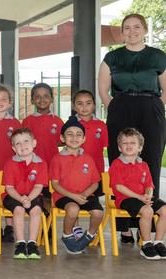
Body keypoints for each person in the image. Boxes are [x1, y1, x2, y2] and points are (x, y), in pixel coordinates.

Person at [98, 13, 166, 244]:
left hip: (150, 108)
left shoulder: (158, 56)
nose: (132, 31)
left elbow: (165, 88)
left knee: (151, 161)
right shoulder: (112, 57)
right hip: (121, 107)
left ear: (145, 29)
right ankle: (125, 227)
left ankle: (147, 222)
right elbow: (103, 90)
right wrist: (116, 108)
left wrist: (155, 106)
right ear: (122, 32)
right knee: (120, 161)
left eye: (137, 27)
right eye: (127, 27)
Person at [109, 128, 166, 260]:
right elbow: (119, 186)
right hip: (125, 199)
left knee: (164, 209)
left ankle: (158, 242)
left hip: (142, 197)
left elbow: (149, 185)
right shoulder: (117, 164)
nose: (129, 145)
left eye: (133, 143)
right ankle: (146, 244)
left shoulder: (144, 164)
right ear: (119, 147)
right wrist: (140, 197)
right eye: (125, 143)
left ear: (140, 147)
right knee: (147, 211)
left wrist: (147, 195)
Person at [49, 116, 103, 254]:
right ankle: (67, 235)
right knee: (73, 210)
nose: (74, 137)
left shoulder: (88, 158)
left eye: (79, 134)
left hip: (85, 194)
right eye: (70, 134)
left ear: (84, 139)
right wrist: (73, 196)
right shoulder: (57, 158)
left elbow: (95, 183)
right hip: (64, 195)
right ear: (62, 138)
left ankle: (90, 235)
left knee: (98, 213)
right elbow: (55, 184)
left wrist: (84, 194)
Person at [2, 128, 47, 260]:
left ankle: (32, 243)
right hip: (13, 196)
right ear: (14, 149)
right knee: (19, 210)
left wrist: (29, 198)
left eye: (26, 141)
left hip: (33, 195)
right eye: (18, 143)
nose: (22, 145)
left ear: (34, 143)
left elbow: (39, 186)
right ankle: (20, 243)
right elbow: (9, 188)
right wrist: (21, 199)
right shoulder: (10, 163)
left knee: (36, 210)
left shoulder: (41, 163)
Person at [22, 83, 63, 213]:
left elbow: (62, 141)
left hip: (52, 165)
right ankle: (40, 223)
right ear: (32, 100)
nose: (42, 100)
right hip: (34, 166)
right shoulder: (27, 121)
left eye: (46, 96)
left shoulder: (58, 121)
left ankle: (48, 227)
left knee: (48, 197)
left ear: (51, 98)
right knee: (36, 196)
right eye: (38, 97)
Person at [0, 85, 21, 243]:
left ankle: (9, 228)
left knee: (8, 197)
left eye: (3, 99)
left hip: (10, 169)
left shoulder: (15, 123)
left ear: (10, 103)